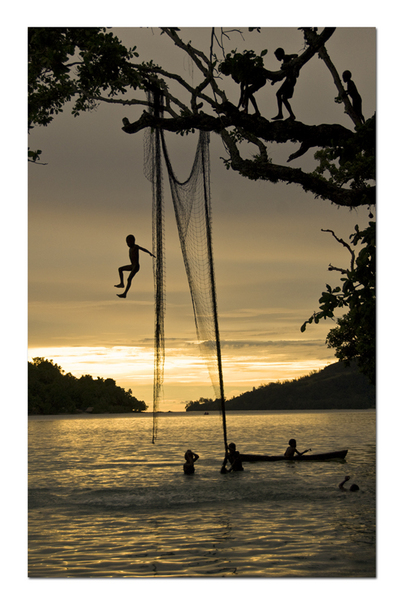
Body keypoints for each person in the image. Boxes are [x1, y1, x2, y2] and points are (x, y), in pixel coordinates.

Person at [271, 47, 299, 120]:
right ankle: (290, 115)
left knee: (279, 94)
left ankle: (281, 114)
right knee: (284, 98)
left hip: (290, 80)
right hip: (289, 80)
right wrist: (274, 81)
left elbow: (295, 55)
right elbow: (282, 75)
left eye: (277, 56)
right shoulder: (285, 60)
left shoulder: (286, 57)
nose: (277, 58)